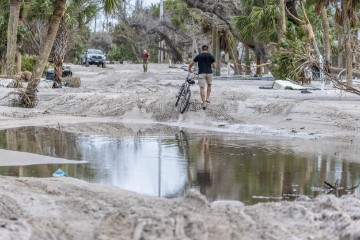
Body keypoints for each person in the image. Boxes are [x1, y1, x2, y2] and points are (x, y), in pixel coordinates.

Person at [188, 45, 216, 110]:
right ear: (207, 49)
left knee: (202, 88)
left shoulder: (199, 56)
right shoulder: (211, 56)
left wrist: (190, 69)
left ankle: (204, 103)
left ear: (202, 49)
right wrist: (212, 68)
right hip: (209, 73)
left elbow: (191, 64)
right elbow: (214, 66)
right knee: (209, 85)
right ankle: (207, 98)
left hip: (201, 73)